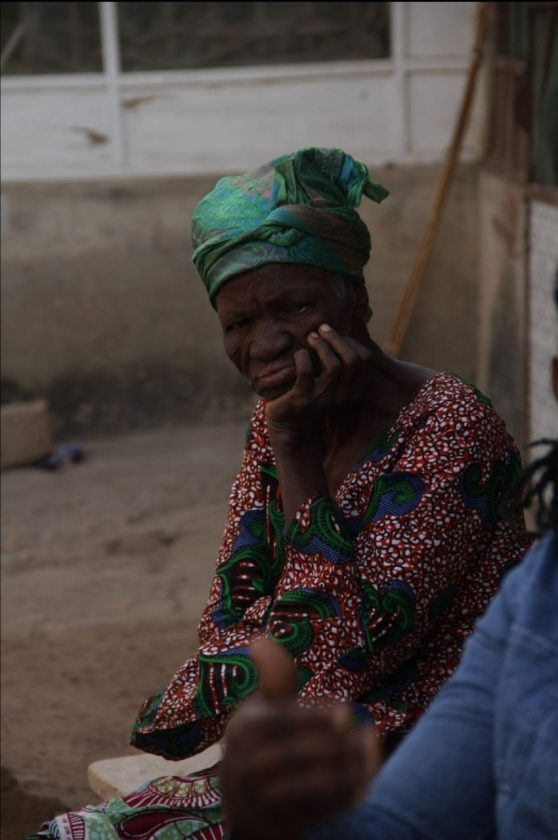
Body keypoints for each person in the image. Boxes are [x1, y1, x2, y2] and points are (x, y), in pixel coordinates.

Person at [29, 148, 529, 839]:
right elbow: (229, 618)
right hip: (289, 748)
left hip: (408, 761)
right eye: (237, 324)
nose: (265, 343)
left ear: (352, 295)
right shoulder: (281, 415)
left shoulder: (449, 429)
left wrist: (297, 454)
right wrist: (261, 657)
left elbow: (337, 658)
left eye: (293, 306)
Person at [219, 439, 558, 840]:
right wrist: (279, 816)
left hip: (389, 733)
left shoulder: (452, 432)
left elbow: (345, 646)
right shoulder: (540, 592)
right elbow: (224, 627)